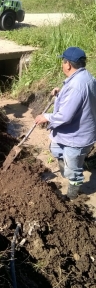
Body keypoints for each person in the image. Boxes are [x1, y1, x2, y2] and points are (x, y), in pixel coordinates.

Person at [35, 47, 96, 200]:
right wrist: (60, 93)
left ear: (68, 64)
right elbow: (76, 101)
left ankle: (72, 197)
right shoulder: (85, 77)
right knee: (55, 149)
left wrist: (46, 117)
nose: (63, 65)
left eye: (63, 62)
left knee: (74, 171)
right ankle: (66, 171)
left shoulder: (77, 86)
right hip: (69, 133)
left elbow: (65, 115)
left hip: (77, 137)